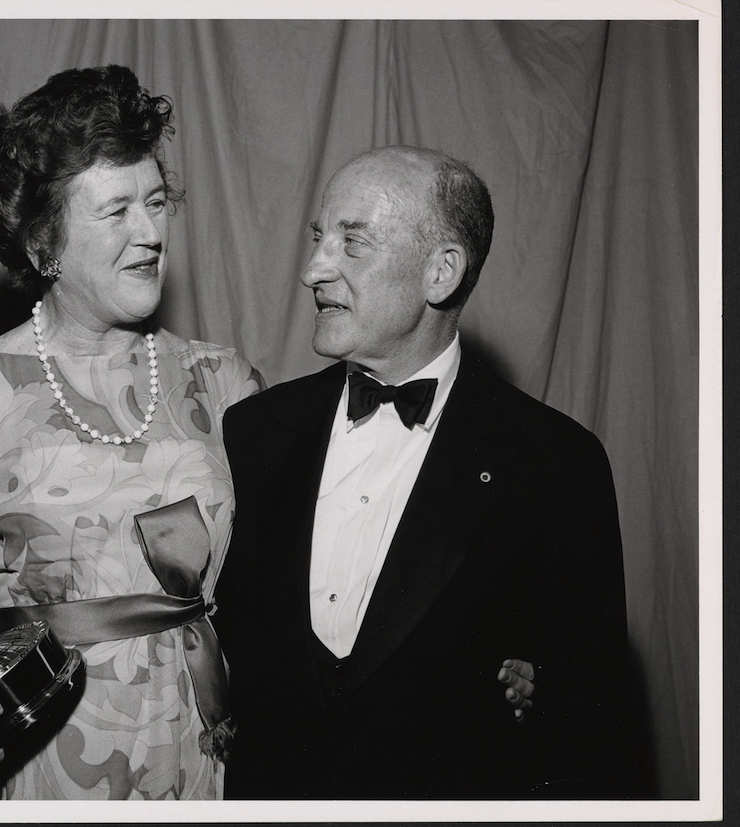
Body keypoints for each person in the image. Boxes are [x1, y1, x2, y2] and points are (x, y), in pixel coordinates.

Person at [0, 64, 265, 800]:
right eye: (116, 211)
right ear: (44, 243)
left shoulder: (224, 380)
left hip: (212, 764)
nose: (150, 232)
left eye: (156, 202)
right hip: (51, 770)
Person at [214, 145, 631, 799]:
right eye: (320, 238)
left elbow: (590, 723)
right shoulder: (254, 432)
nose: (312, 270)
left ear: (441, 273)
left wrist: (539, 684)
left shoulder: (555, 461)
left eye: (352, 243)